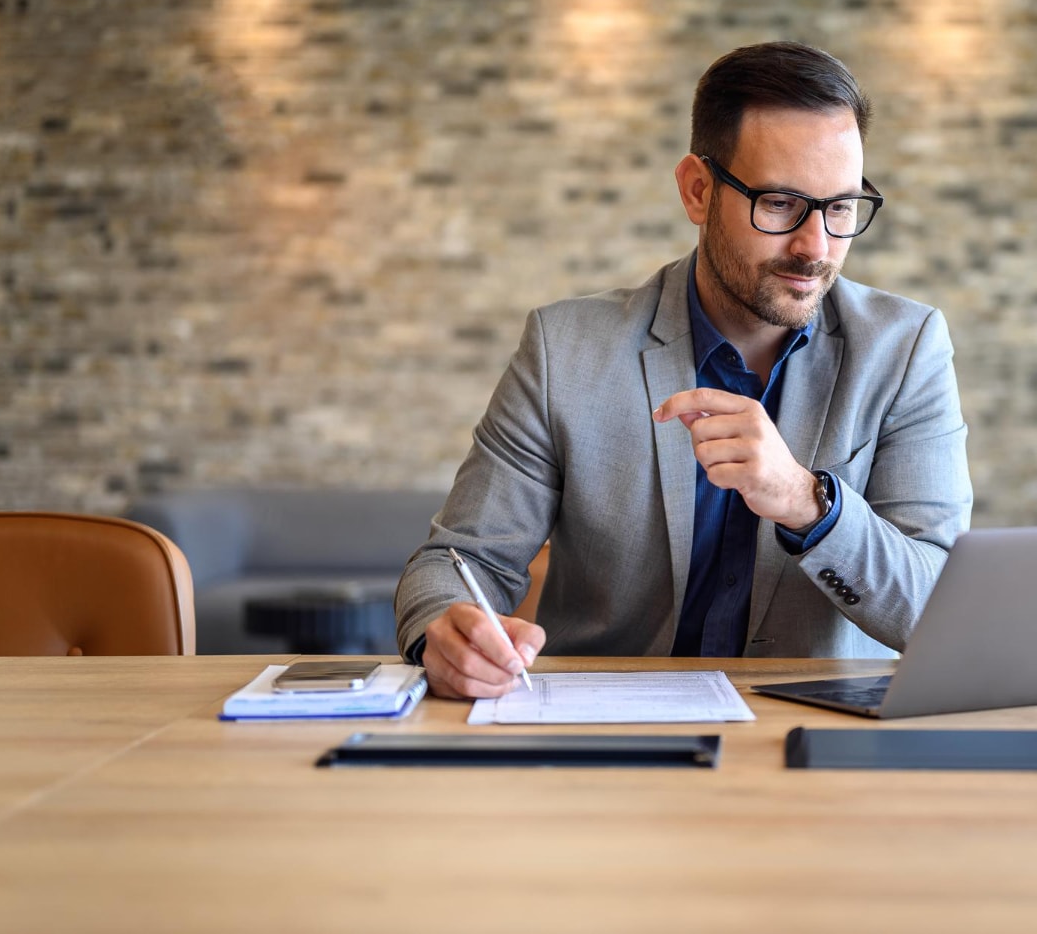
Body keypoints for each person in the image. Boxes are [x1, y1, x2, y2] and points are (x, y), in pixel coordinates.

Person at [396, 41, 972, 699]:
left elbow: (939, 614)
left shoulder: (906, 349)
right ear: (698, 191)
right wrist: (443, 629)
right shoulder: (565, 349)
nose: (815, 247)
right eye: (781, 203)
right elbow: (456, 562)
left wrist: (808, 504)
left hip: (819, 745)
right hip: (612, 736)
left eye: (839, 208)